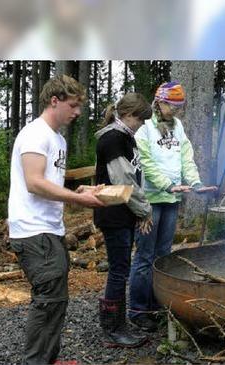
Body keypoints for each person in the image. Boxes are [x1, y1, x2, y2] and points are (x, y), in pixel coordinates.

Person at [7, 75, 104, 364]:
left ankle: (48, 361)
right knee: (48, 301)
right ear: (54, 101)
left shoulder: (57, 139)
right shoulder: (35, 134)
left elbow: (50, 181)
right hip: (33, 231)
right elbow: (34, 182)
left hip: (50, 229)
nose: (77, 112)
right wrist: (78, 200)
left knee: (56, 299)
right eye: (73, 105)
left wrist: (80, 190)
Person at [128, 81, 214, 332]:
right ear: (160, 102)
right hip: (149, 201)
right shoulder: (144, 128)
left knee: (163, 255)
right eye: (172, 106)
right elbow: (145, 162)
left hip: (172, 200)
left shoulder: (178, 127)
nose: (176, 111)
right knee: (144, 256)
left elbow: (186, 158)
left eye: (180, 106)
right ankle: (137, 309)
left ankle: (158, 303)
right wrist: (167, 185)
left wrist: (195, 183)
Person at [93, 93, 153, 348]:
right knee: (119, 272)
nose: (140, 124)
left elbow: (134, 177)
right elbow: (124, 181)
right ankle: (114, 329)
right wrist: (144, 210)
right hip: (113, 213)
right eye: (139, 118)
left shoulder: (126, 137)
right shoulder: (113, 139)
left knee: (121, 269)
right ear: (127, 115)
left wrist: (137, 210)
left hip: (123, 211)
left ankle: (118, 324)